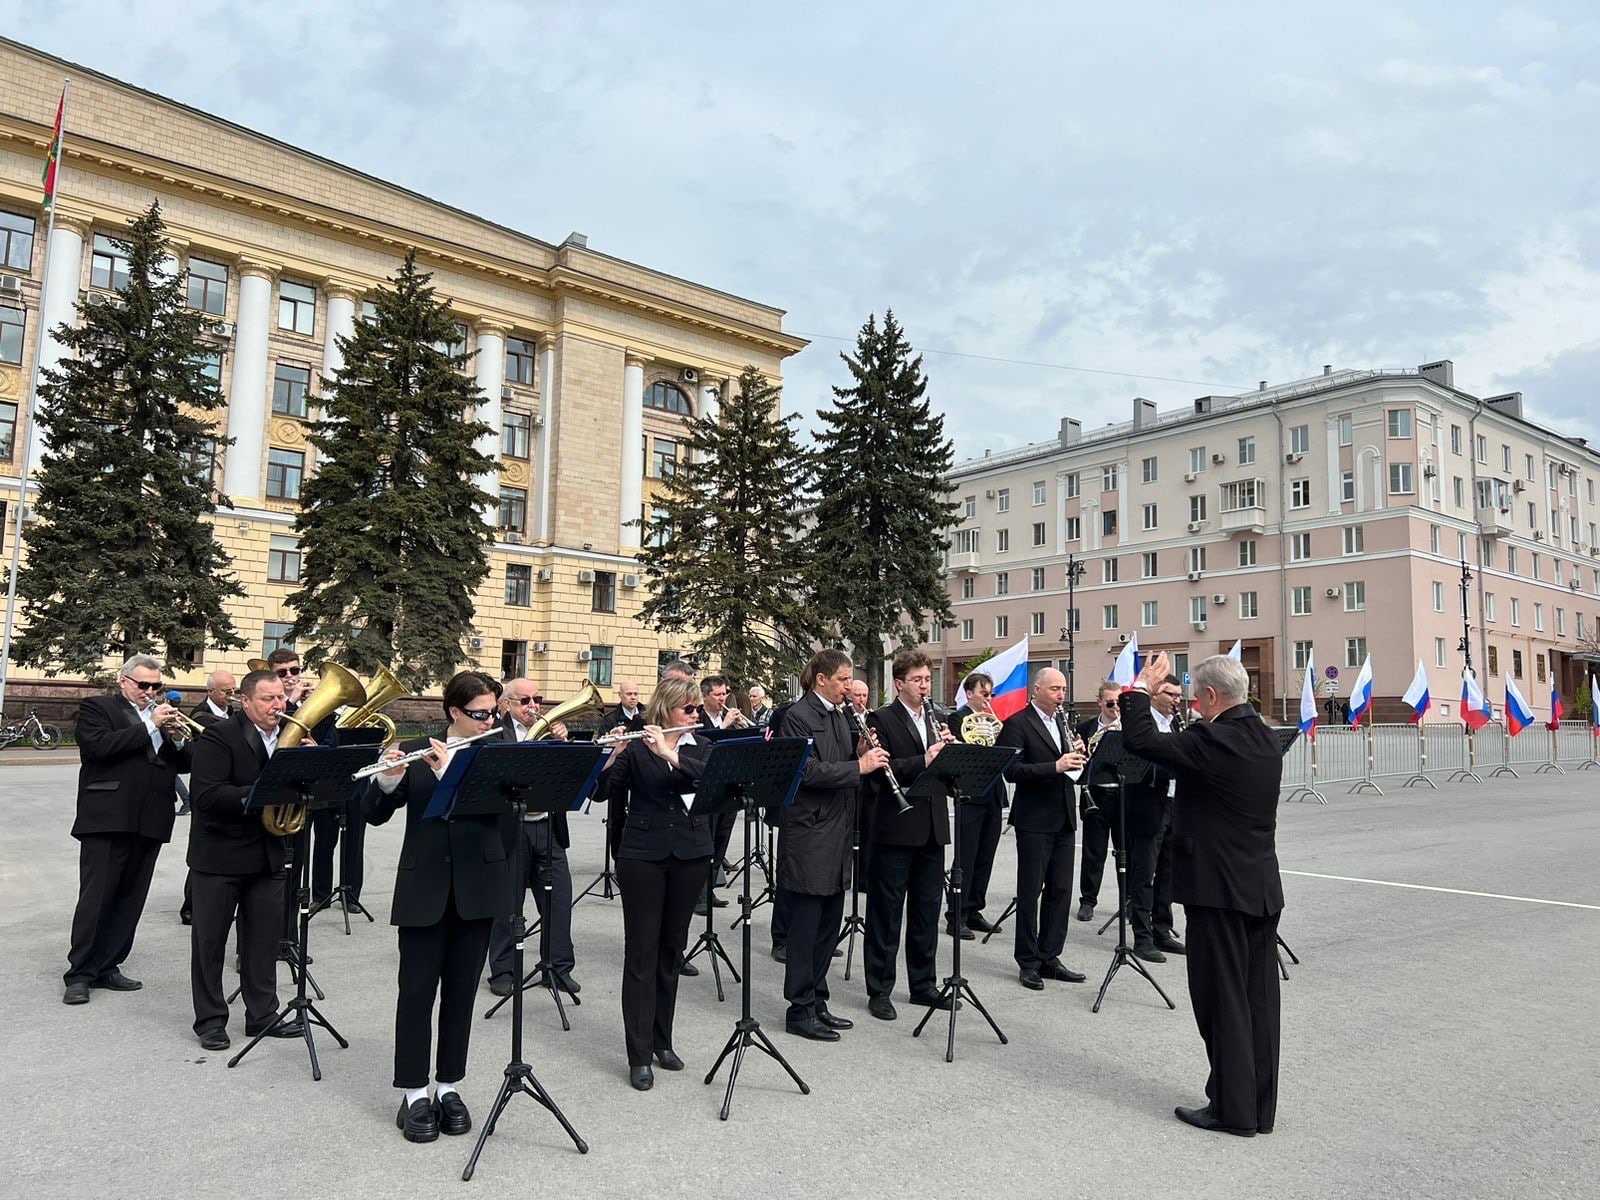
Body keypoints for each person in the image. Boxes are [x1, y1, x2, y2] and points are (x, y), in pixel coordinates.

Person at [1120, 652, 1284, 1138]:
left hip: (1218, 891)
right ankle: (1258, 1108)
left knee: (1222, 999)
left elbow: (1140, 740)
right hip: (1260, 886)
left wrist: (1139, 688)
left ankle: (1232, 1111)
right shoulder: (1266, 736)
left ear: (1211, 696)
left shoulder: (1214, 739)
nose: (1193, 706)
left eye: (1196, 698)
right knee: (1259, 1002)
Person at [366, 671, 511, 1144]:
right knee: (416, 993)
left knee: (461, 994)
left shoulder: (498, 754)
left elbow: (503, 817)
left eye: (492, 712)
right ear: (453, 711)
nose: (488, 720)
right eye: (479, 713)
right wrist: (387, 780)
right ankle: (413, 1093)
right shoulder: (416, 750)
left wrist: (451, 775)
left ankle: (448, 1086)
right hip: (423, 887)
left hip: (478, 889)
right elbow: (372, 813)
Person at [63, 654, 193, 1006]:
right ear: (123, 681)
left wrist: (177, 739)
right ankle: (80, 973)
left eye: (156, 686)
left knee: (130, 898)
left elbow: (185, 763)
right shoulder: (99, 708)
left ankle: (108, 964)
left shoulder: (163, 717)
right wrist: (150, 725)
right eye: (143, 685)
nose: (150, 691)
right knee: (97, 897)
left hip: (151, 818)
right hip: (108, 817)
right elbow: (100, 748)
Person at [774, 649, 888, 1041]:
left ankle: (817, 1000)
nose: (848, 687)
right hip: (810, 833)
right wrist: (859, 767)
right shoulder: (797, 716)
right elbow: (804, 771)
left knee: (828, 925)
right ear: (821, 679)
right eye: (842, 679)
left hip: (837, 830)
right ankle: (799, 1008)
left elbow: (838, 761)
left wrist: (859, 752)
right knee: (806, 927)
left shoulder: (841, 715)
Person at [606, 675, 712, 1089]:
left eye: (697, 708)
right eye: (689, 708)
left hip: (690, 854)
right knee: (642, 953)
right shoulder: (636, 747)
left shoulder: (702, 746)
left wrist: (670, 753)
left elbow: (709, 779)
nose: (695, 714)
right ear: (666, 708)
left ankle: (662, 1041)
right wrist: (611, 755)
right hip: (643, 856)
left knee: (671, 952)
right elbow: (601, 793)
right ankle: (639, 1053)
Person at [186, 668, 301, 1049]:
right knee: (210, 945)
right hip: (219, 856)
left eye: (280, 697)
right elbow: (207, 796)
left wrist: (310, 769)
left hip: (268, 854)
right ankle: (210, 1020)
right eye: (268, 699)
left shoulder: (290, 736)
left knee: (263, 942)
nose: (278, 705)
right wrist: (268, 789)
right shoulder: (220, 736)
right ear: (246, 701)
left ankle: (262, 1015)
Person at [862, 651, 952, 1021]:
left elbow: (945, 771)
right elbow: (882, 769)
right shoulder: (880, 719)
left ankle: (923, 984)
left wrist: (950, 753)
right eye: (917, 680)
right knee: (886, 913)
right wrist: (924, 760)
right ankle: (879, 989)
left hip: (932, 826)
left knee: (926, 911)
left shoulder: (937, 718)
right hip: (897, 826)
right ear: (899, 683)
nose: (924, 686)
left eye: (927, 679)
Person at [485, 678, 579, 998]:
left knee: (559, 899)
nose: (533, 706)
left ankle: (559, 967)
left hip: (548, 827)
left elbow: (568, 779)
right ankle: (503, 970)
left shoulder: (552, 733)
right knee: (507, 904)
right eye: (525, 701)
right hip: (512, 828)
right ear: (506, 704)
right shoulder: (495, 734)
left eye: (537, 699)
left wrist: (563, 745)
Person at [998, 668, 1088, 991]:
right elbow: (1011, 771)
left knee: (1061, 890)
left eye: (1063, 689)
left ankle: (1050, 956)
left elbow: (1070, 768)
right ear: (1037, 690)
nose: (1061, 695)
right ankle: (1028, 960)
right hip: (1034, 819)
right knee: (1030, 890)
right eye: (1054, 689)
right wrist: (1056, 766)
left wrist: (1078, 756)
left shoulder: (1063, 722)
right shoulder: (1018, 723)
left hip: (1063, 815)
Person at [1129, 676, 1186, 961]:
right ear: (1154, 695)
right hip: (1149, 805)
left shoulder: (1175, 723)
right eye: (1171, 694)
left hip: (1175, 804)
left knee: (1168, 871)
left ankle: (1162, 931)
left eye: (1179, 695)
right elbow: (1140, 764)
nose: (1177, 700)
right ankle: (1142, 937)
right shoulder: (1144, 724)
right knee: (1144, 874)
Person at [943, 672, 1003, 938]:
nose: (988, 699)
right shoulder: (958, 719)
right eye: (984, 693)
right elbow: (966, 752)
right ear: (969, 693)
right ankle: (956, 915)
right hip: (970, 794)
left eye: (991, 694)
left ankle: (974, 908)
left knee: (985, 855)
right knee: (966, 856)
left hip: (993, 792)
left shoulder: (993, 721)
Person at [180, 669, 237, 926]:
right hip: (206, 787)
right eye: (226, 691)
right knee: (203, 848)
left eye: (234, 690)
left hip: (229, 785)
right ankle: (190, 907)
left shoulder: (233, 712)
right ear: (211, 691)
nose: (231, 696)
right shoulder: (200, 714)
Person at [1076, 681, 1123, 922]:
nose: (1116, 708)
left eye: (1119, 702)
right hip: (1095, 795)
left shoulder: (1130, 727)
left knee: (1125, 851)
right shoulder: (1085, 728)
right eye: (1110, 703)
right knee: (1093, 852)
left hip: (1124, 796)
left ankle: (1128, 900)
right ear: (1100, 703)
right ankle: (1088, 900)